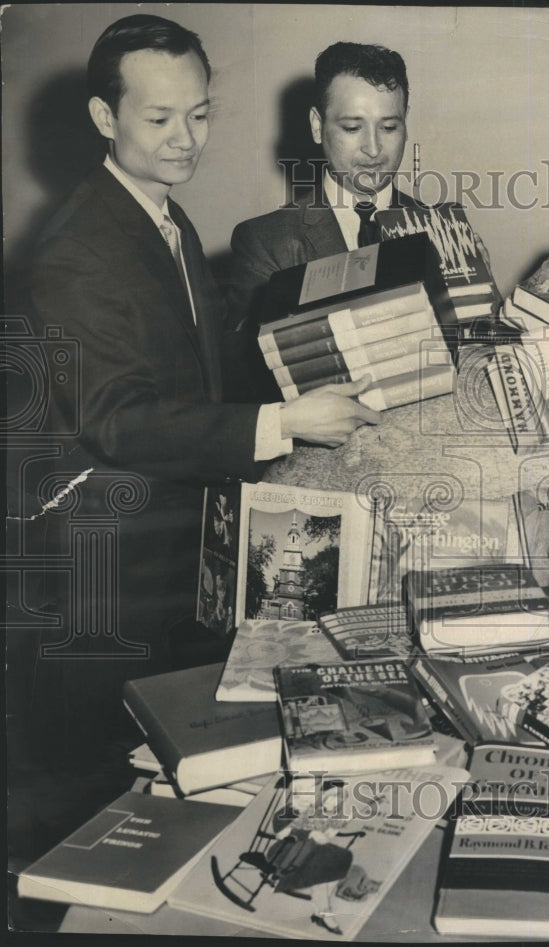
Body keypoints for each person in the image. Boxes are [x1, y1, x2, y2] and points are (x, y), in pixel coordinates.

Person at [24, 16, 379, 774]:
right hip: (112, 586)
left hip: (179, 565)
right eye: (159, 118)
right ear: (103, 117)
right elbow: (120, 421)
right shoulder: (76, 250)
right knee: (111, 798)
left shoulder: (163, 215)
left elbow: (219, 364)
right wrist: (285, 420)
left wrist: (328, 362)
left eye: (199, 112)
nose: (186, 136)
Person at [226, 42, 419, 401]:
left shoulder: (439, 228)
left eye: (389, 126)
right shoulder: (266, 242)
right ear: (317, 126)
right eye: (352, 128)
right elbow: (245, 386)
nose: (374, 149)